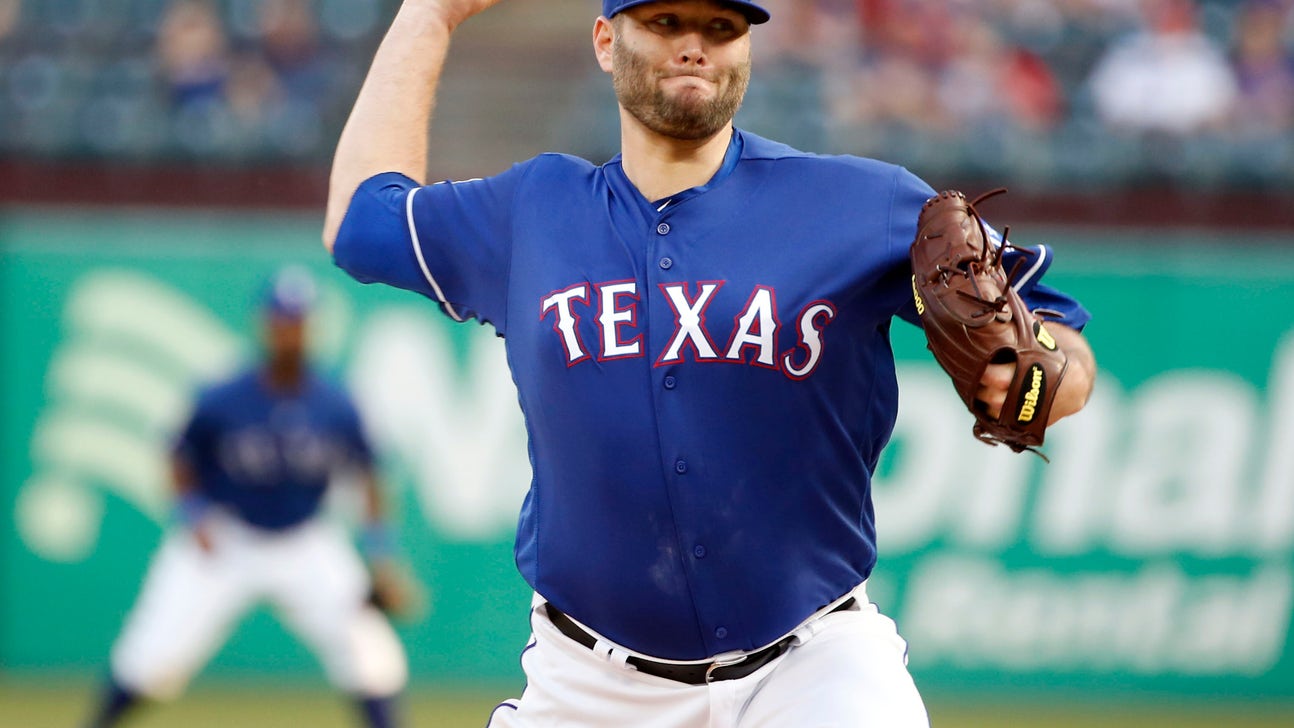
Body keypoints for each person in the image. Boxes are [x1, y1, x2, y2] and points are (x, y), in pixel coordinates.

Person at [323, 1, 1097, 726]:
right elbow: (360, 222)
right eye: (665, 20)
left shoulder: (863, 203)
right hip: (586, 684)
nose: (695, 43)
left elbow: (1054, 345)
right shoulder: (528, 212)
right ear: (605, 40)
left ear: (747, 50)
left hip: (814, 666)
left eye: (723, 26)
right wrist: (428, 15)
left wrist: (1038, 386)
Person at [84, 267, 411, 728]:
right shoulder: (224, 397)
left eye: (297, 321)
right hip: (226, 536)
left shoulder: (335, 402)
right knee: (149, 658)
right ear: (264, 324)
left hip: (304, 539)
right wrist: (193, 514)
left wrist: (382, 553)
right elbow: (179, 456)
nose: (289, 332)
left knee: (372, 654)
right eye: (281, 321)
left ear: (311, 326)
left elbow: (371, 474)